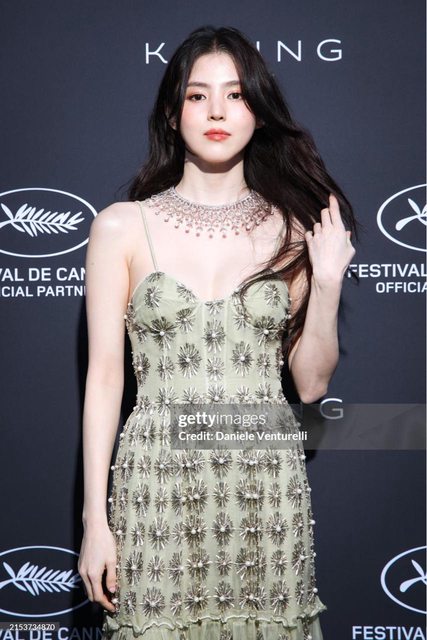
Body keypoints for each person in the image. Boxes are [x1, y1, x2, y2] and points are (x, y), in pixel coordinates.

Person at [78, 24, 358, 640]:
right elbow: (104, 380)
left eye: (235, 95)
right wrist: (95, 522)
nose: (216, 112)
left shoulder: (292, 229)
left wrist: (328, 280)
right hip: (157, 483)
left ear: (258, 111)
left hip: (264, 487)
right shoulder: (121, 227)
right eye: (198, 95)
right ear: (172, 112)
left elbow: (311, 385)